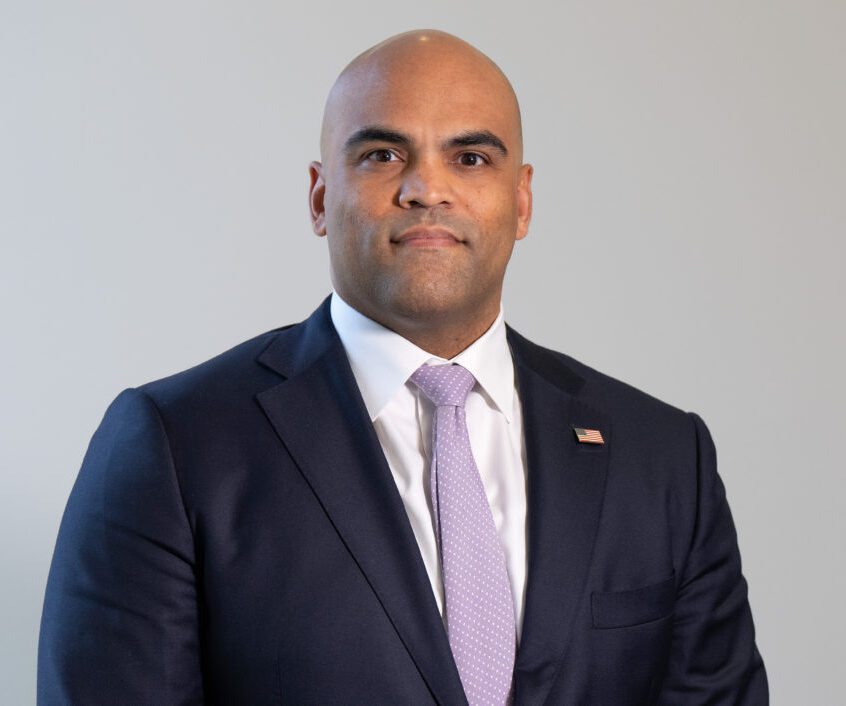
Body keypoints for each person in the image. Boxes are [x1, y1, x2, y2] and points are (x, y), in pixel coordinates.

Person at [38, 29, 767, 704]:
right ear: (322, 197)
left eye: (471, 157)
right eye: (383, 155)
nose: (426, 188)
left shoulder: (665, 459)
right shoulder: (173, 447)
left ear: (521, 201)